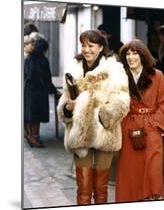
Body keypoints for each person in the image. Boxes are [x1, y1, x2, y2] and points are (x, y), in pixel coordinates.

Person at [56, 30, 130, 205]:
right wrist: (67, 108)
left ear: (101, 47)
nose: (86, 49)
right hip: (79, 133)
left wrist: (101, 117)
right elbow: (65, 99)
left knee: (101, 188)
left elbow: (122, 101)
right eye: (83, 45)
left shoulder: (114, 69)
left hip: (105, 133)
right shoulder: (73, 68)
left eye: (91, 46)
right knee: (83, 188)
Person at [115, 39, 164, 202]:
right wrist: (123, 125)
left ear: (143, 55)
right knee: (129, 172)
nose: (131, 57)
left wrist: (154, 125)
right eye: (128, 54)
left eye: (135, 53)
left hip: (151, 129)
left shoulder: (157, 76)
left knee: (153, 171)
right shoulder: (121, 77)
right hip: (128, 127)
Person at [24, 35, 58, 148]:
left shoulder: (28, 59)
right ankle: (34, 138)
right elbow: (47, 78)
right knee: (36, 116)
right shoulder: (43, 60)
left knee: (30, 114)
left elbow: (26, 75)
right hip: (39, 92)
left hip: (28, 90)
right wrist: (53, 90)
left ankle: (29, 136)